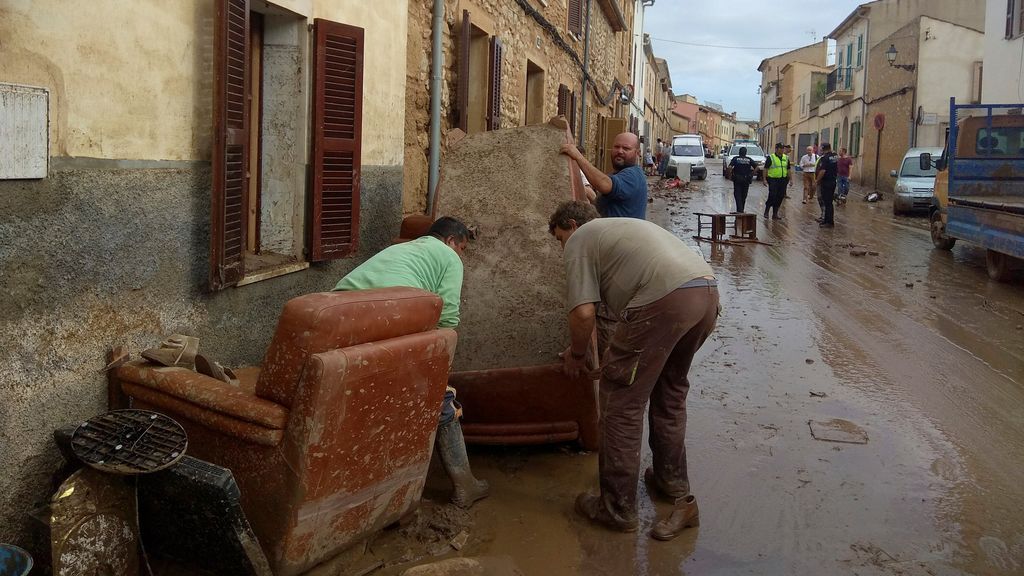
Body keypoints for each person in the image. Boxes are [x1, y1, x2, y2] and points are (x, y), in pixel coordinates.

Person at [548, 200, 719, 541]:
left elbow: (583, 314)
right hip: (705, 293)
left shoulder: (581, 240)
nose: (561, 247)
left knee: (620, 405)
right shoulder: (618, 231)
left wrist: (578, 355)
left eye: (559, 238)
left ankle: (617, 508)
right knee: (669, 392)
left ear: (570, 224)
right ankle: (672, 483)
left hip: (664, 299)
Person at [333, 216, 489, 508]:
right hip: (390, 317)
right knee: (438, 397)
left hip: (339, 315)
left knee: (366, 397)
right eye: (463, 248)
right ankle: (464, 485)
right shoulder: (449, 257)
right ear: (451, 241)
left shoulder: (400, 251)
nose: (461, 254)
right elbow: (448, 318)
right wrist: (441, 373)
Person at [560, 132, 648, 219]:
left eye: (626, 148)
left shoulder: (633, 175)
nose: (620, 151)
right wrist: (590, 195)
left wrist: (578, 156)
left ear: (637, 153)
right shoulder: (619, 174)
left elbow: (604, 185)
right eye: (617, 147)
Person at [761, 143, 790, 220]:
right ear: (776, 149)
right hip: (773, 179)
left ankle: (775, 213)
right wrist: (764, 179)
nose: (782, 150)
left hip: (783, 179)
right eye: (780, 148)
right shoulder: (771, 157)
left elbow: (788, 169)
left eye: (783, 148)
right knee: (772, 195)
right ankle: (767, 210)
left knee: (780, 196)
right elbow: (765, 169)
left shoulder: (786, 158)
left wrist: (791, 179)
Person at [815, 143, 839, 228]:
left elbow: (822, 171)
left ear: (823, 148)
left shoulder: (825, 158)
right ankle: (827, 220)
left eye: (821, 148)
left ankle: (829, 222)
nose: (820, 149)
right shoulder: (835, 156)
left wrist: (817, 181)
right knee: (829, 202)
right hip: (833, 181)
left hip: (826, 182)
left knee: (827, 202)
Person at [728, 146, 756, 213]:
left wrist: (730, 175)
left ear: (739, 152)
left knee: (737, 195)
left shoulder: (735, 159)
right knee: (744, 196)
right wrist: (751, 174)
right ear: (746, 153)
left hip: (737, 179)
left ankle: (740, 211)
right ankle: (741, 210)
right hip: (746, 179)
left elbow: (729, 167)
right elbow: (757, 167)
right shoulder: (749, 159)